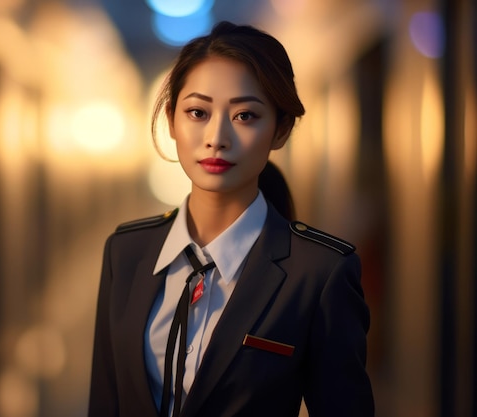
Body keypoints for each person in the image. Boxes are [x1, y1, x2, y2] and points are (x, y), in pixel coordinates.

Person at [88, 21, 374, 417]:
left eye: (245, 116)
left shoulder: (319, 272)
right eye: (197, 112)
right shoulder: (126, 251)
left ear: (280, 130)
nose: (216, 136)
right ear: (171, 120)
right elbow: (106, 402)